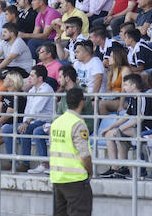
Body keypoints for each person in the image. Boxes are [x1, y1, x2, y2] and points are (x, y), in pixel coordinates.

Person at [49, 87, 93, 216]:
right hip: (75, 180)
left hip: (58, 178)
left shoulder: (56, 122)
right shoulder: (78, 124)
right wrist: (90, 171)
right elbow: (84, 155)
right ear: (81, 102)